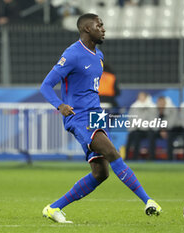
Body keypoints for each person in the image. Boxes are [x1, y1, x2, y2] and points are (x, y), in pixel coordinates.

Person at [40, 13, 161, 223]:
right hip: (79, 118)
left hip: (95, 117)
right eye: (99, 25)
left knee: (101, 173)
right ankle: (148, 200)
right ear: (87, 29)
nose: (103, 29)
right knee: (112, 152)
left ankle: (53, 208)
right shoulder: (72, 54)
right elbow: (46, 85)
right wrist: (60, 105)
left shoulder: (99, 56)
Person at [125, 92, 156, 160]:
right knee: (134, 135)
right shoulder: (134, 106)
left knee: (151, 135)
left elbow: (153, 119)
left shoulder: (152, 106)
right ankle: (132, 158)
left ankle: (152, 158)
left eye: (143, 96)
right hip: (137, 129)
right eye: (140, 97)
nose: (141, 98)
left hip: (148, 129)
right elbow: (131, 119)